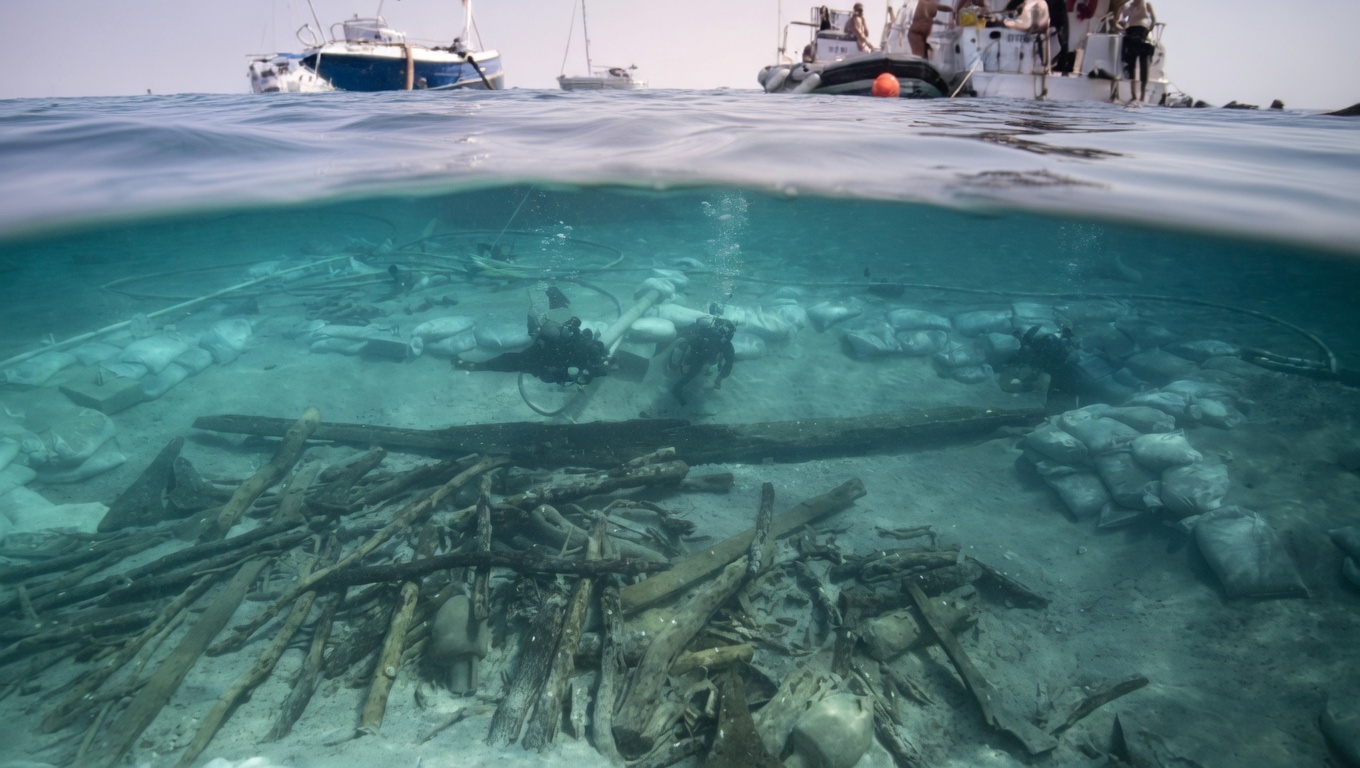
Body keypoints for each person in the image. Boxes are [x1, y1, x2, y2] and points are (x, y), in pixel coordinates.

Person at [1118, 0, 1155, 102]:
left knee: (1143, 67)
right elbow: (1121, 20)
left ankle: (1142, 95)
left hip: (1141, 36)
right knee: (1132, 67)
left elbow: (1153, 22)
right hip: (1132, 35)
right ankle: (1134, 94)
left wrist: (1147, 30)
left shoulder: (1146, 6)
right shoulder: (1128, 7)